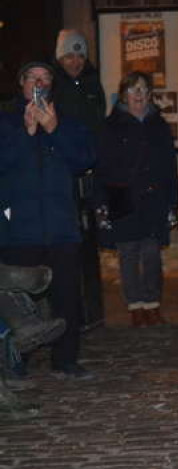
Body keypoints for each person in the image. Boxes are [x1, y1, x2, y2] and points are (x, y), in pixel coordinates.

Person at [0, 62, 96, 378]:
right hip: (21, 229)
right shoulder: (6, 123)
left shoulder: (69, 123)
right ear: (22, 83)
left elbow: (84, 160)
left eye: (45, 79)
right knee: (18, 299)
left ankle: (65, 360)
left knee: (66, 296)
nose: (39, 84)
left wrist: (54, 130)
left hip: (60, 227)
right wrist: (27, 133)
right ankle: (17, 360)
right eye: (33, 78)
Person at [96, 71, 178, 327]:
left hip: (154, 196)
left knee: (152, 252)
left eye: (144, 90)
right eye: (134, 91)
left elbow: (169, 166)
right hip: (122, 195)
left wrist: (173, 202)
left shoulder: (159, 125)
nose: (139, 96)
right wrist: (101, 202)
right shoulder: (111, 126)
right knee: (129, 254)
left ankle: (152, 303)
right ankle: (135, 306)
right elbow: (102, 166)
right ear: (124, 95)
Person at [51, 29, 108, 330]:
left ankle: (92, 312)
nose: (75, 61)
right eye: (69, 55)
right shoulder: (55, 87)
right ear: (60, 57)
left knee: (89, 243)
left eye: (80, 55)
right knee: (68, 244)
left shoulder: (90, 84)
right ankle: (71, 314)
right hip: (65, 174)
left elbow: (97, 124)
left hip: (90, 172)